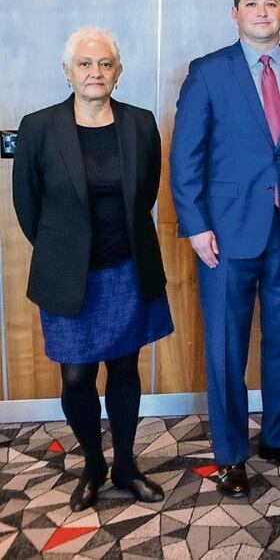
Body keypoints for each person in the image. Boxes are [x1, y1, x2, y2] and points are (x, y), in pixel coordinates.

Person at [170, 0, 280, 498]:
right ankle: (230, 455)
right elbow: (185, 157)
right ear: (234, 13)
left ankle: (276, 436)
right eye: (252, 3)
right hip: (224, 235)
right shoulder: (208, 72)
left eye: (271, 3)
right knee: (226, 346)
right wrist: (195, 225)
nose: (262, 11)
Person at [12, 26, 173, 511]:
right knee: (77, 378)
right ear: (68, 72)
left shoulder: (141, 123)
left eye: (105, 64)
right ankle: (93, 464)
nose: (95, 73)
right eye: (85, 64)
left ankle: (125, 464)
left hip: (127, 268)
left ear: (118, 73)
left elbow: (145, 194)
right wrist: (67, 251)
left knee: (124, 368)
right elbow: (27, 205)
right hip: (69, 275)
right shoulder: (38, 127)